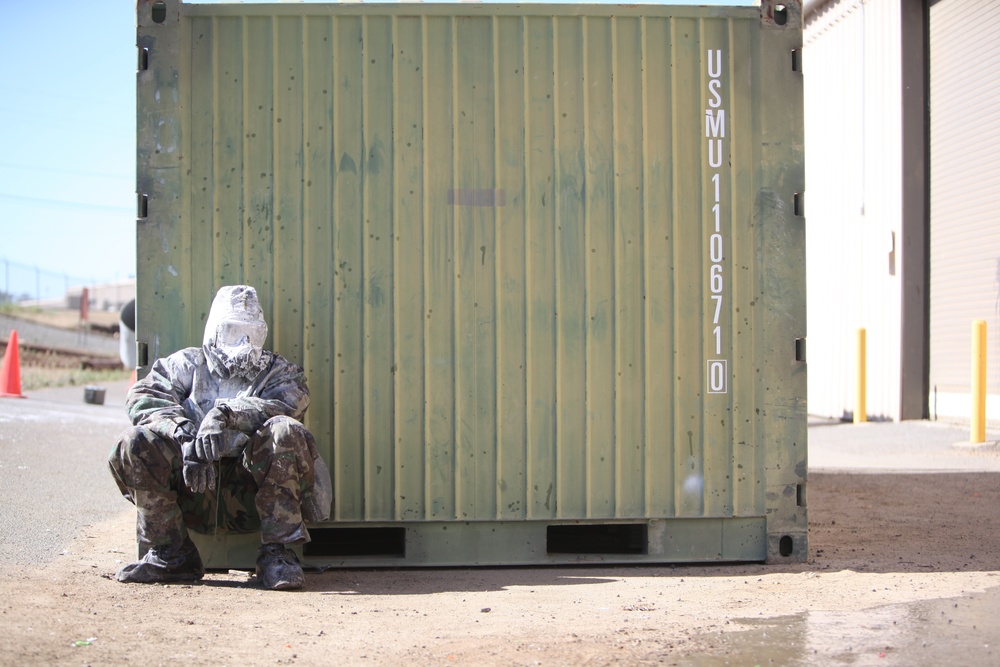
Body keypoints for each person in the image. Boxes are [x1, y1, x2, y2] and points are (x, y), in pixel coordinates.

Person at [108, 285, 332, 590]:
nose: (244, 342)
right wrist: (184, 434)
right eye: (232, 331)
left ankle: (278, 555)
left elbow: (289, 403)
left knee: (285, 430)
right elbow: (143, 396)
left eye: (252, 333)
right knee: (134, 442)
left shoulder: (279, 372)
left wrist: (226, 414)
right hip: (193, 489)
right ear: (214, 331)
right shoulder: (186, 365)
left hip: (254, 498)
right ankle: (171, 554)